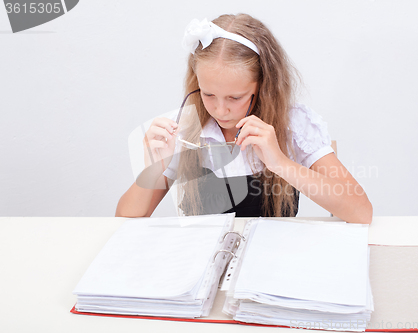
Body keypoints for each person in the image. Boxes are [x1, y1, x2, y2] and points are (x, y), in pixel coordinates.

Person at [116, 14, 372, 223]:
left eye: (235, 98)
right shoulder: (184, 127)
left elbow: (361, 212)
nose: (220, 110)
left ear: (262, 85)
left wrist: (280, 162)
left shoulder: (294, 125)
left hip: (273, 265)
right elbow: (124, 218)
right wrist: (156, 167)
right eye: (208, 94)